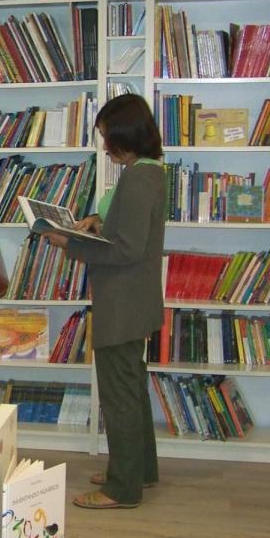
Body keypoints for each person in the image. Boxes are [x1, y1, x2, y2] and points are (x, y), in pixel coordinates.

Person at [44, 93, 164, 509]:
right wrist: (98, 221)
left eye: (108, 137)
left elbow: (126, 249)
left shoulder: (139, 177)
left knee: (119, 395)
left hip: (123, 300)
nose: (106, 146)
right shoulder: (147, 171)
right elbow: (127, 230)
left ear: (125, 135)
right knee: (131, 388)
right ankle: (139, 470)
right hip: (133, 298)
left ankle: (121, 488)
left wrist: (69, 244)